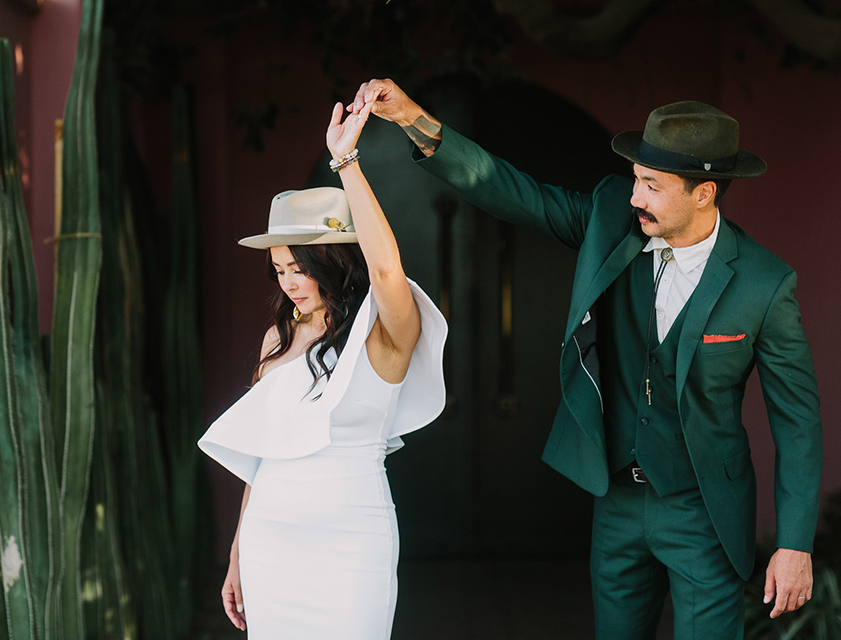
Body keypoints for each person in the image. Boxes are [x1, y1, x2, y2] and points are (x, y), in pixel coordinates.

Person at [349, 79, 822, 639]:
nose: (635, 197)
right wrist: (413, 120)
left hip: (704, 512)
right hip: (616, 504)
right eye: (635, 180)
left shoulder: (764, 285)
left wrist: (794, 543)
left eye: (652, 185)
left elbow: (797, 422)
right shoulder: (608, 221)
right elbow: (507, 188)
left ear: (704, 193)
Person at [197, 100, 447, 638]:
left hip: (351, 538)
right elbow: (264, 451)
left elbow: (386, 266)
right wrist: (238, 552)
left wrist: (347, 162)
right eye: (280, 268)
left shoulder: (386, 334)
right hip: (270, 537)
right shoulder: (278, 338)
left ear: (333, 262)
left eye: (300, 267)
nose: (288, 281)